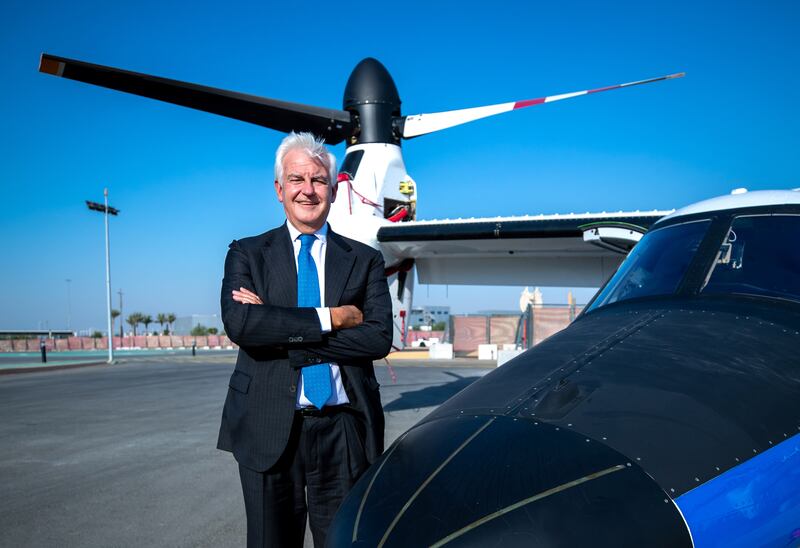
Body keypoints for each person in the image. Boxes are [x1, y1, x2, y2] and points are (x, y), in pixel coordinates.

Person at [216, 132, 392, 548]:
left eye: (317, 181)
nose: (307, 190)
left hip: (344, 430)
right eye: (297, 180)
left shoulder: (365, 260)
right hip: (268, 428)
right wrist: (333, 318)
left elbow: (377, 338)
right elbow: (243, 325)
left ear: (332, 190)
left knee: (346, 542)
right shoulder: (247, 254)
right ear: (280, 190)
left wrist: (282, 332)